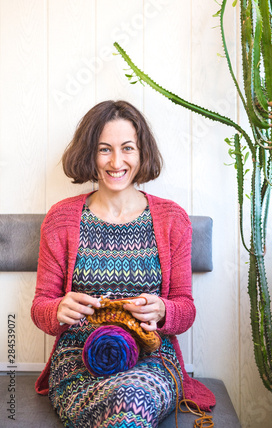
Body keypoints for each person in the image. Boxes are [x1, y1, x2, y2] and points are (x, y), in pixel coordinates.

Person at [31, 100, 215, 427]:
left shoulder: (173, 220)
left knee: (131, 400)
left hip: (152, 359)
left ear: (142, 153)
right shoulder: (60, 220)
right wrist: (58, 309)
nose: (116, 161)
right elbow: (41, 307)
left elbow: (185, 308)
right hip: (78, 359)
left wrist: (163, 311)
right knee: (118, 409)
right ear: (90, 154)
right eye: (105, 149)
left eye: (127, 148)